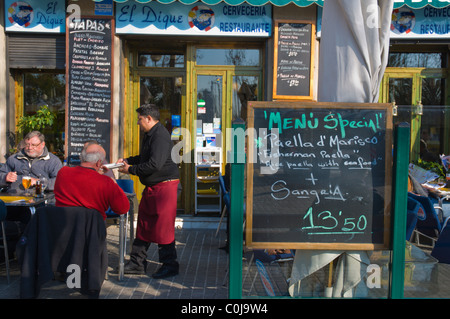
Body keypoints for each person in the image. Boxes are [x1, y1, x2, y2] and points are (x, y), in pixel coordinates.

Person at [117, 104, 180, 279]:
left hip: (165, 187)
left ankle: (170, 265)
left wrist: (131, 169)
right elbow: (146, 158)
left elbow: (155, 165)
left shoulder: (160, 136)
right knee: (144, 223)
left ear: (149, 118)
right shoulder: (151, 134)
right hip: (154, 187)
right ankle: (137, 263)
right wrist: (128, 161)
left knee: (163, 228)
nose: (138, 122)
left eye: (140, 119)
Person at [54, 143, 130, 220]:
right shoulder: (106, 182)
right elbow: (122, 208)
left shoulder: (63, 172)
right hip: (92, 228)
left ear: (82, 157)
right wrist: (114, 183)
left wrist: (96, 174)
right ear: (98, 162)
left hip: (64, 226)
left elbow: (83, 181)